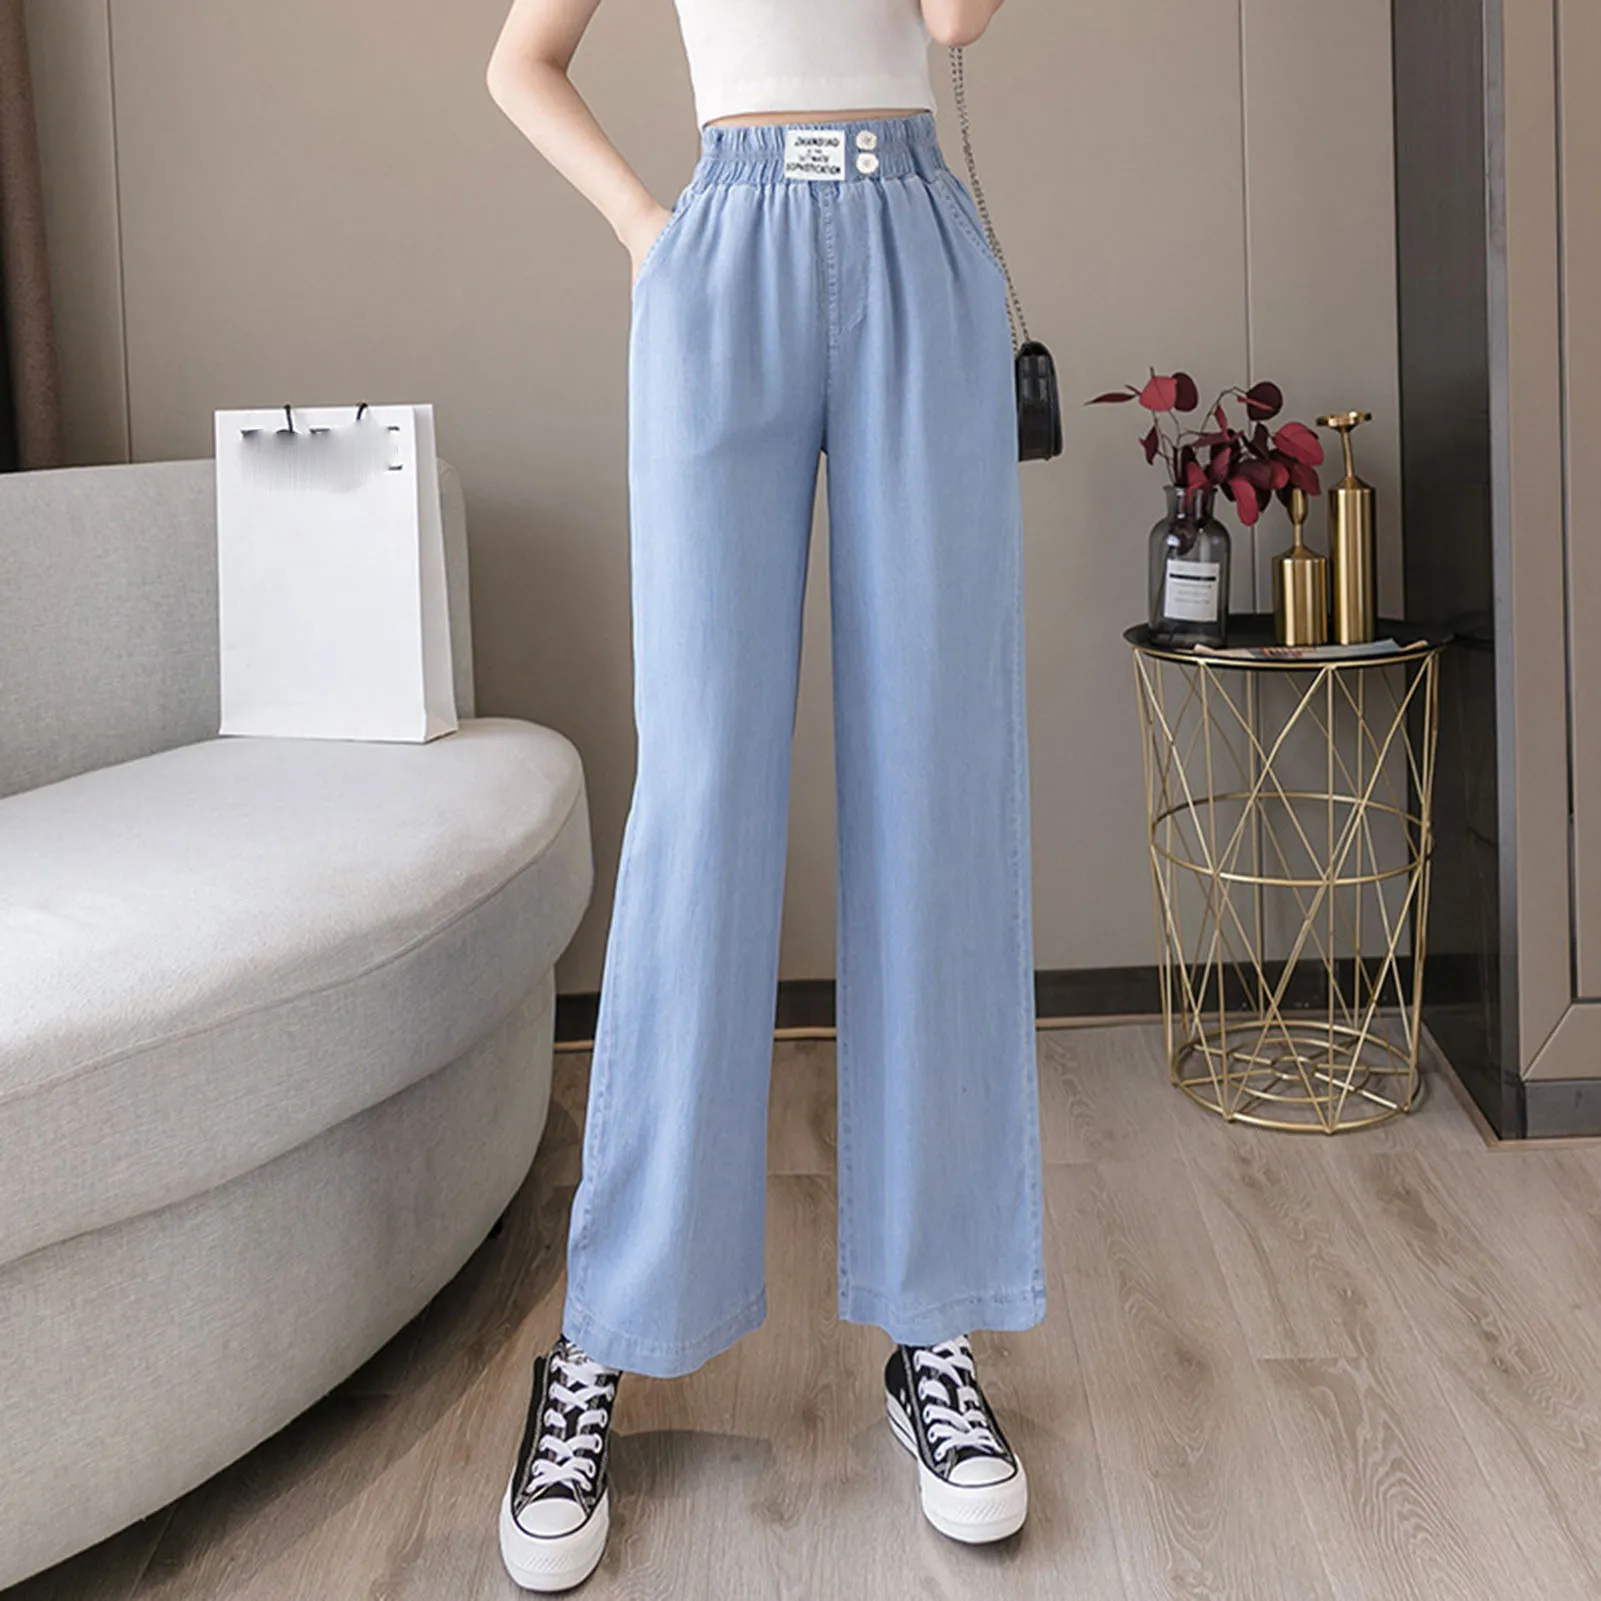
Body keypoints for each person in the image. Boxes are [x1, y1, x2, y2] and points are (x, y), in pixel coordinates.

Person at [485, 0, 1045, 1588]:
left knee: (939, 792)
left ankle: (936, 1333)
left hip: (917, 243)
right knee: (701, 800)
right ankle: (601, 1339)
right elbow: (520, 61)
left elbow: (956, 20)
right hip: (722, 253)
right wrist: (643, 227)